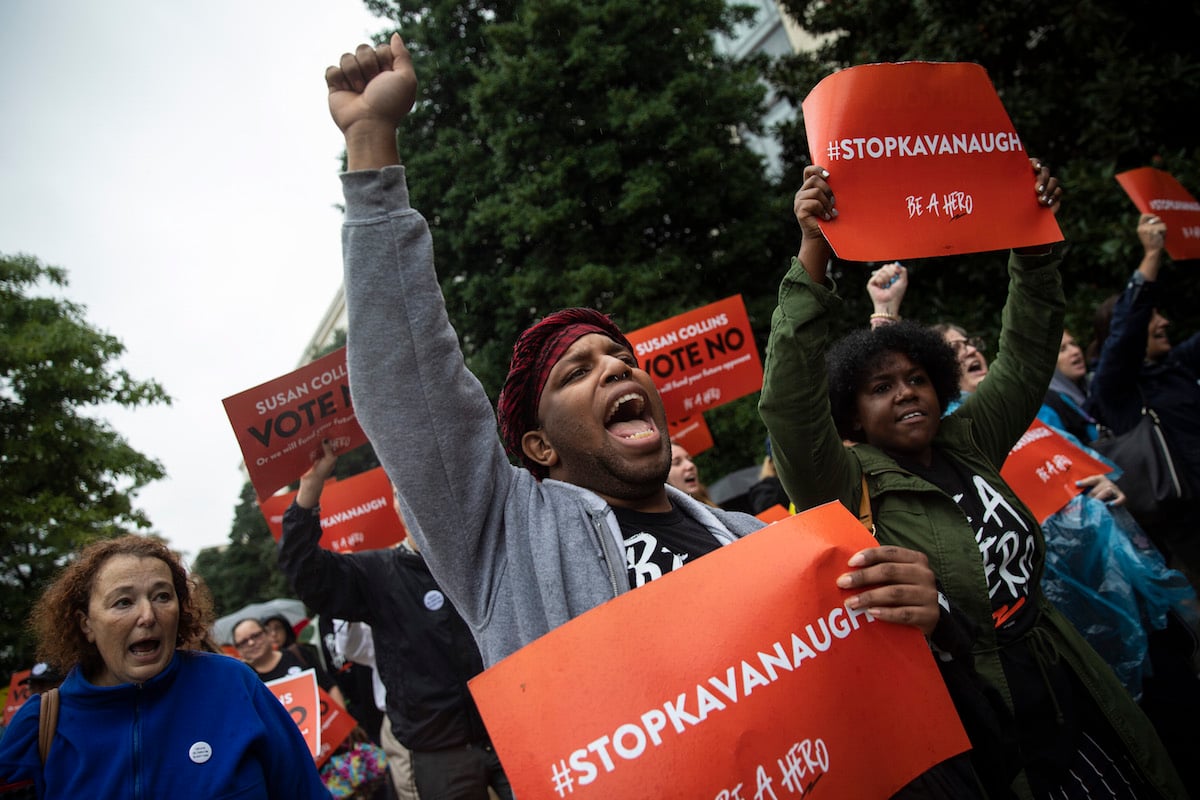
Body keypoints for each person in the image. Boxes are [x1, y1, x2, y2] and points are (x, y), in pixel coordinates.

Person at [325, 35, 972, 798]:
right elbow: (411, 384)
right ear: (538, 444)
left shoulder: (748, 540)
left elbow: (872, 697)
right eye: (579, 371)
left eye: (623, 359)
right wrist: (371, 143)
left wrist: (930, 613)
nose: (618, 369)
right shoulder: (508, 539)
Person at [759, 161, 1186, 799]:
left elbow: (1028, 350)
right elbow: (790, 406)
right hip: (989, 718)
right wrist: (814, 249)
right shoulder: (843, 485)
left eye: (917, 379)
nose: (906, 393)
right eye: (881, 387)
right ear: (851, 413)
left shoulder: (972, 439)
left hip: (1066, 676)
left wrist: (1033, 239)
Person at [0, 535, 328, 799]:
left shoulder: (233, 685)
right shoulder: (39, 725)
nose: (148, 615)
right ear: (86, 624)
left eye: (161, 596)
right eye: (123, 602)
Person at [279, 440, 512, 800]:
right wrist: (311, 487)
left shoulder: (477, 557)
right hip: (437, 751)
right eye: (405, 495)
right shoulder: (377, 573)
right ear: (395, 505)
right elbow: (307, 574)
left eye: (424, 495)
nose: (417, 506)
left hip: (509, 727)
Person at [1085, 213, 1200, 590]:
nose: (1164, 322)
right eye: (1154, 316)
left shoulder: (1177, 365)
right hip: (1185, 525)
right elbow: (1128, 331)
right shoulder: (1115, 388)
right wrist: (1152, 256)